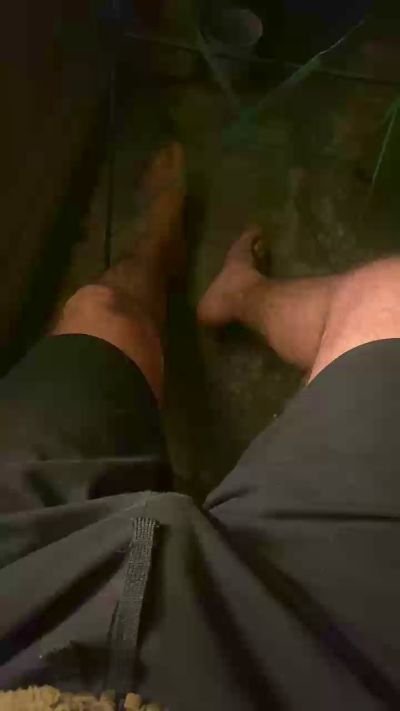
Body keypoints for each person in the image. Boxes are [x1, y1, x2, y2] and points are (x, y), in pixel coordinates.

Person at [0, 143, 399, 710]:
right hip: (297, 679)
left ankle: (172, 258)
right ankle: (232, 289)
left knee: (102, 311)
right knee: (389, 303)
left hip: (19, 608)